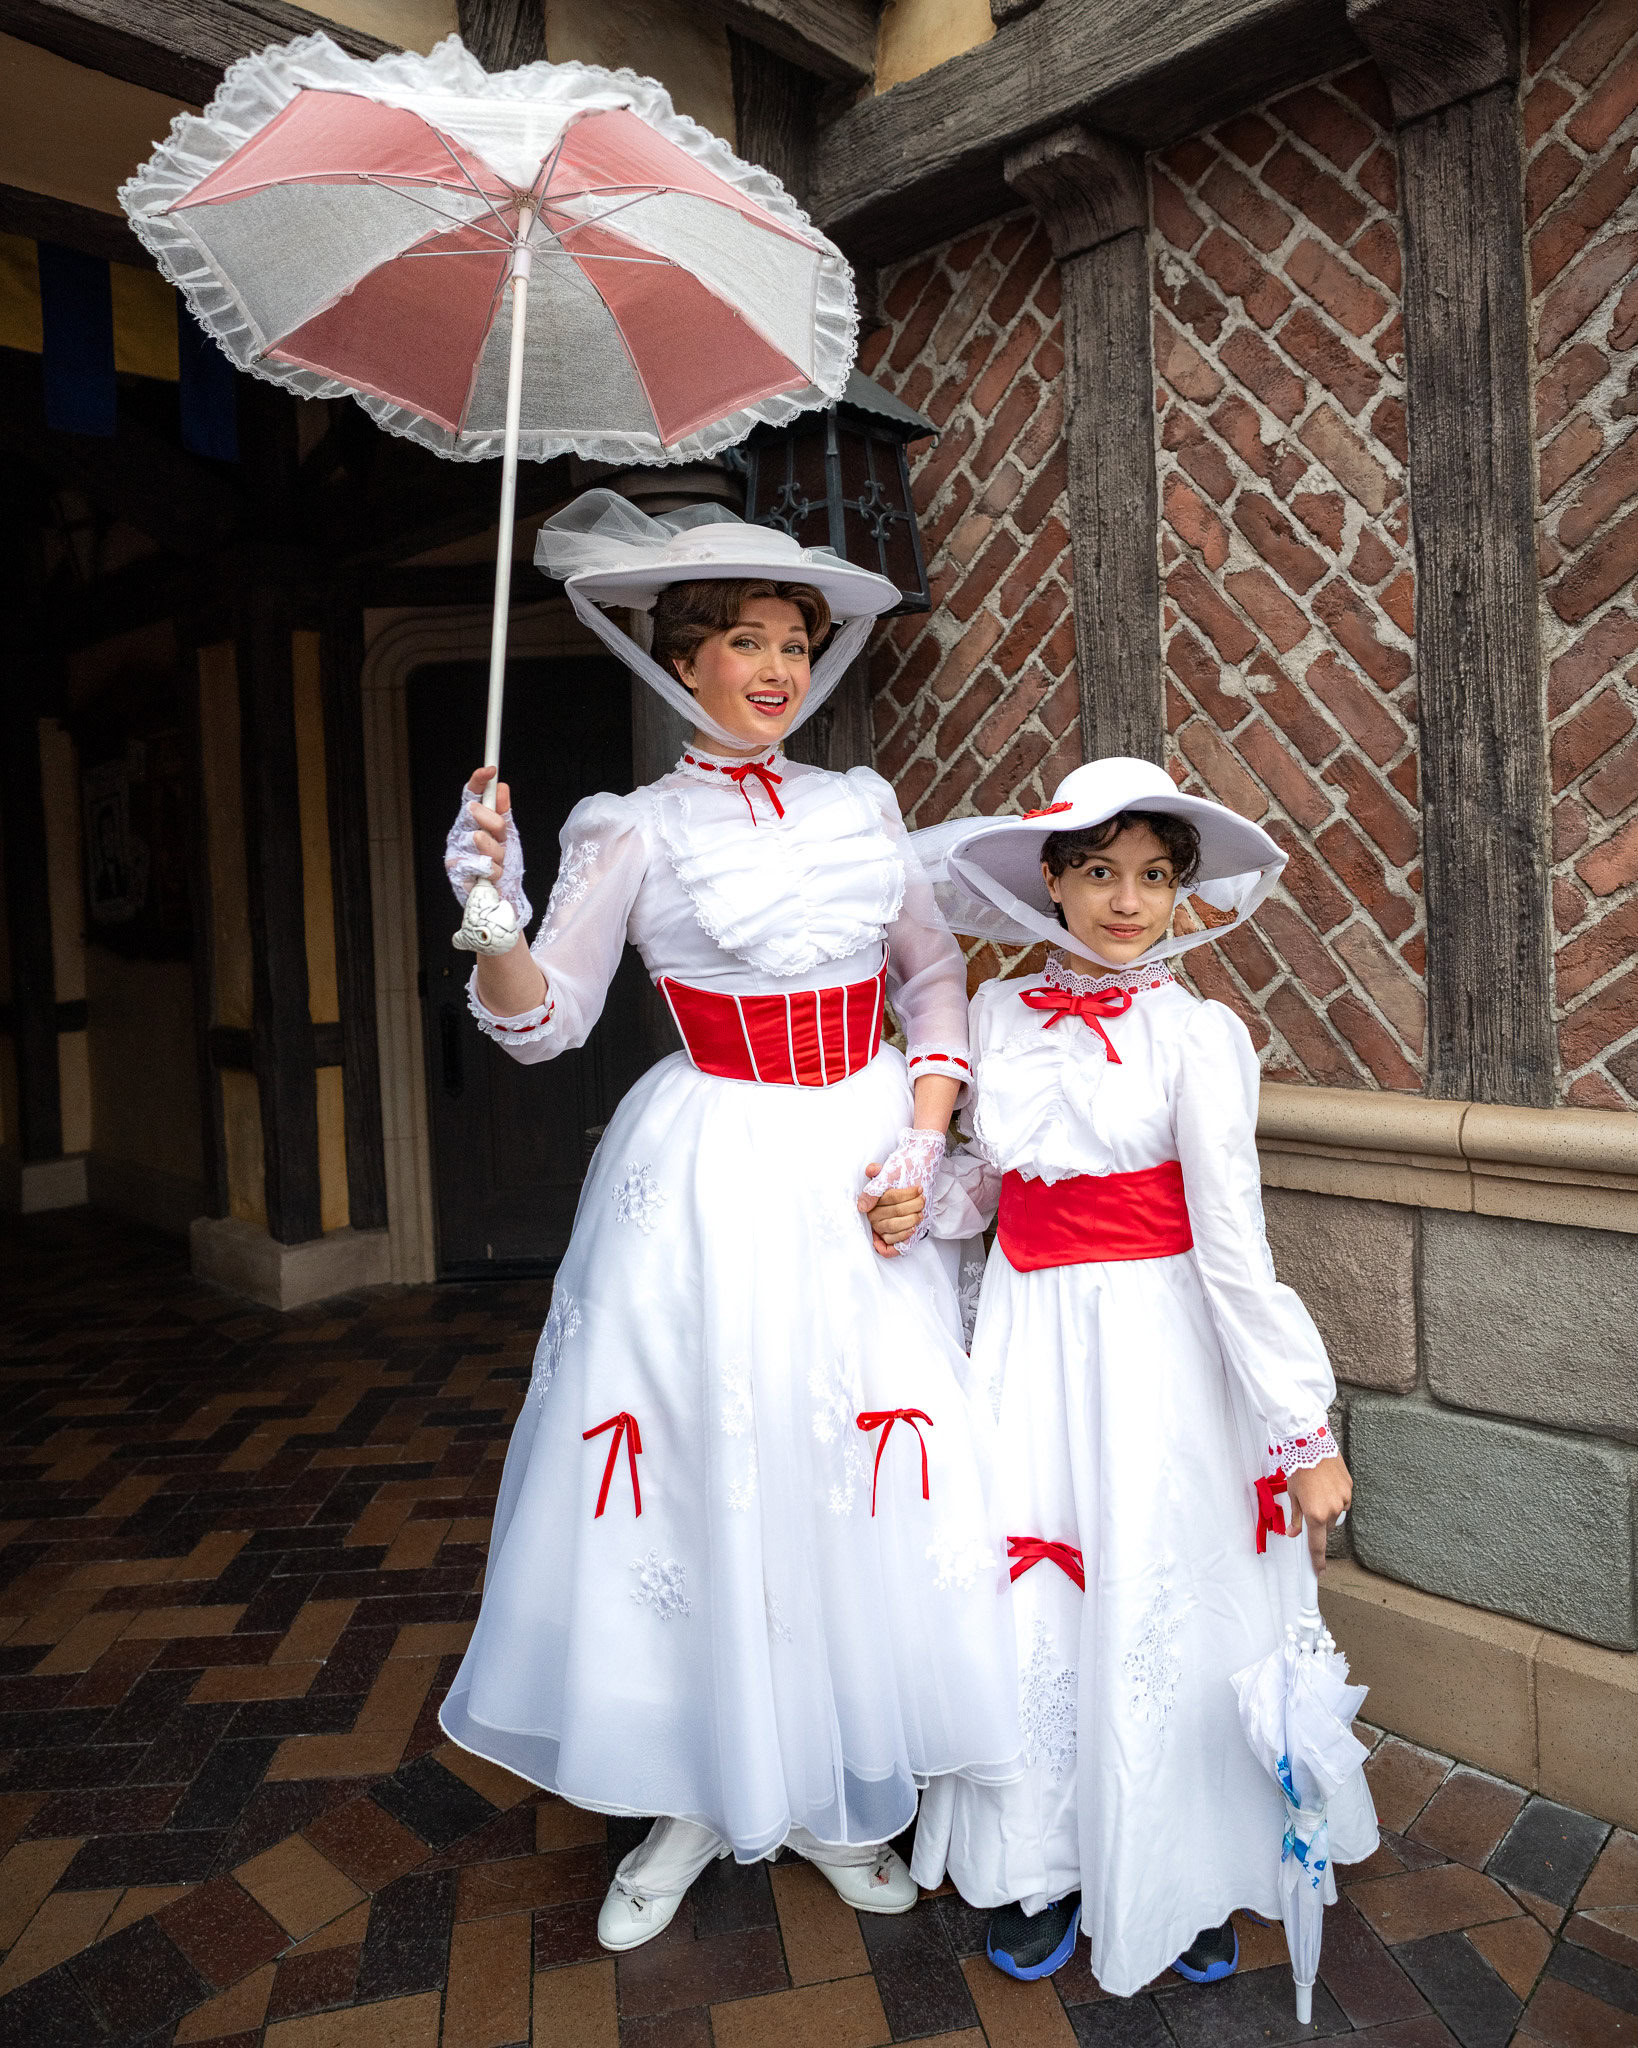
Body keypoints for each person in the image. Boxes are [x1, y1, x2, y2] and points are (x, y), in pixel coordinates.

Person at [437, 490, 1020, 1953]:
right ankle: (694, 1796)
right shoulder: (630, 829)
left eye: (794, 643)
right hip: (709, 1174)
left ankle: (830, 1791)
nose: (776, 668)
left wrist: (920, 1133)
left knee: (857, 1459)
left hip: (860, 1169)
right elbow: (546, 1025)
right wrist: (494, 917)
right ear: (681, 657)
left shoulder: (861, 806)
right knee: (707, 1461)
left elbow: (931, 982)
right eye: (746, 641)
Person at [904, 756, 1377, 1995]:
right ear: (1051, 880)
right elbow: (991, 1189)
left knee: (1166, 1589)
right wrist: (917, 1196)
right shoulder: (997, 1016)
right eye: (1101, 872)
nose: (1128, 901)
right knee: (1042, 1594)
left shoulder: (1198, 1034)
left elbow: (1234, 1245)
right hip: (1030, 1345)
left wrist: (1301, 1429)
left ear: (1181, 893)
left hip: (1159, 1348)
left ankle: (1190, 1865)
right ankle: (1046, 1858)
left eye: (1156, 877)